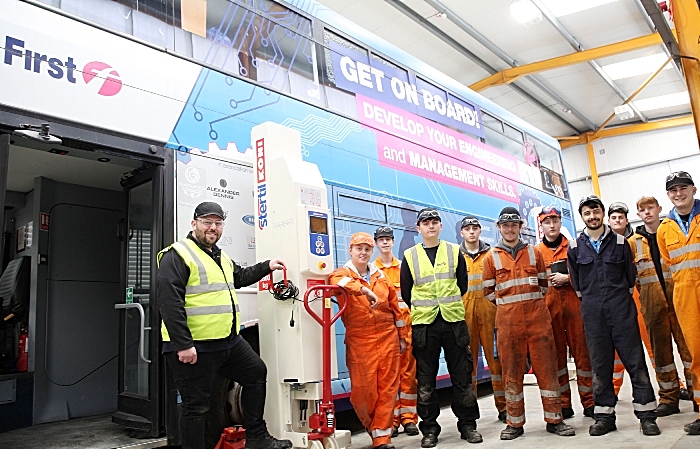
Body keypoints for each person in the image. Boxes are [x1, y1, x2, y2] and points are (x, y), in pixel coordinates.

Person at [158, 202, 292, 449]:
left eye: (218, 223)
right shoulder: (177, 255)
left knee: (255, 373)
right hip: (194, 347)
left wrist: (267, 266)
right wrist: (183, 344)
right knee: (196, 407)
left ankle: (257, 437)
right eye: (207, 222)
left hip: (228, 343)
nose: (213, 228)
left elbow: (239, 277)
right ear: (194, 223)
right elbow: (169, 304)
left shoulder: (219, 255)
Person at [568, 195, 660, 436]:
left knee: (636, 364)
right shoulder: (576, 247)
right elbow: (577, 286)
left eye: (596, 211)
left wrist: (616, 301)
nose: (592, 216)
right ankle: (604, 417)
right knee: (600, 367)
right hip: (594, 315)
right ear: (582, 217)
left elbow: (631, 280)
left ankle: (647, 416)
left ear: (602, 213)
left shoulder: (621, 243)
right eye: (587, 213)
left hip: (622, 312)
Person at [482, 207, 575, 440]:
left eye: (514, 225)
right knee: (511, 373)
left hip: (538, 322)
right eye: (505, 226)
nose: (510, 229)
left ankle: (555, 419)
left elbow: (544, 286)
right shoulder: (491, 257)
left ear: (520, 227)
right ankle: (514, 423)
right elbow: (488, 291)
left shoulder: (534, 252)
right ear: (499, 228)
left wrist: (527, 304)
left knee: (547, 370)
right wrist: (508, 306)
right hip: (508, 323)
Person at [400, 208, 482, 446]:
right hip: (425, 326)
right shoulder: (410, 256)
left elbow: (462, 285)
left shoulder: (454, 251)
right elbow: (407, 292)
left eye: (435, 222)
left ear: (440, 226)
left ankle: (468, 426)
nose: (431, 226)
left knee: (462, 378)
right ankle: (429, 430)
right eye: (426, 223)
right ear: (419, 228)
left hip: (453, 322)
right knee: (426, 382)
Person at [329, 232, 408, 449]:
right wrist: (363, 288)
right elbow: (336, 281)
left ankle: (382, 438)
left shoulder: (381, 277)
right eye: (359, 249)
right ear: (350, 250)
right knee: (363, 393)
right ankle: (373, 425)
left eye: (367, 249)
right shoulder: (342, 274)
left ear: (371, 251)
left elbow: (395, 309)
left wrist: (402, 338)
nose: (363, 253)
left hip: (388, 338)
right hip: (360, 340)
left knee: (387, 390)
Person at [631, 196, 695, 417]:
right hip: (652, 304)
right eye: (642, 210)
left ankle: (697, 395)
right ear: (638, 214)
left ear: (659, 209)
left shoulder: (671, 232)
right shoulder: (633, 242)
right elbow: (634, 277)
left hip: (678, 298)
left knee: (689, 350)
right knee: (661, 354)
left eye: (651, 208)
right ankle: (668, 398)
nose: (647, 212)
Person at [536, 206, 594, 419]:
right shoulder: (536, 252)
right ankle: (564, 405)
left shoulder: (575, 246)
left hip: (575, 310)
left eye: (555, 221)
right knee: (557, 360)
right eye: (547, 222)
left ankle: (590, 403)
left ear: (561, 223)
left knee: (583, 357)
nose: (552, 226)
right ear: (541, 226)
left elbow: (587, 275)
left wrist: (567, 279)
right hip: (550, 313)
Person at [657, 171, 700, 435]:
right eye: (673, 190)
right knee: (697, 355)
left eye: (683, 188)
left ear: (693, 189)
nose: (678, 193)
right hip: (685, 297)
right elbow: (670, 264)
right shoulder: (664, 229)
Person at [458, 216, 506, 423]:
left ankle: (504, 408)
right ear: (462, 233)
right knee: (467, 366)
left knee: (496, 364)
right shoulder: (456, 256)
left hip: (490, 316)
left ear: (480, 231)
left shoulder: (492, 254)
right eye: (467, 229)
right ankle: (470, 413)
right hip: (465, 315)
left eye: (474, 228)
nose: (471, 232)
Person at [373, 226, 419, 438]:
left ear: (393, 242)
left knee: (408, 374)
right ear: (376, 243)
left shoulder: (403, 268)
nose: (384, 243)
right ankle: (391, 420)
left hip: (406, 327)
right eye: (381, 240)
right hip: (385, 329)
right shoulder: (373, 271)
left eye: (388, 239)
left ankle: (409, 419)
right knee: (387, 377)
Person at [607, 202, 655, 396]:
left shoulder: (637, 241)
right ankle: (613, 390)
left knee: (652, 344)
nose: (618, 220)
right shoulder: (605, 245)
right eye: (614, 217)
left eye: (621, 217)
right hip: (618, 301)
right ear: (608, 221)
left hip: (640, 297)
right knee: (618, 351)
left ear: (627, 220)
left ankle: (673, 386)